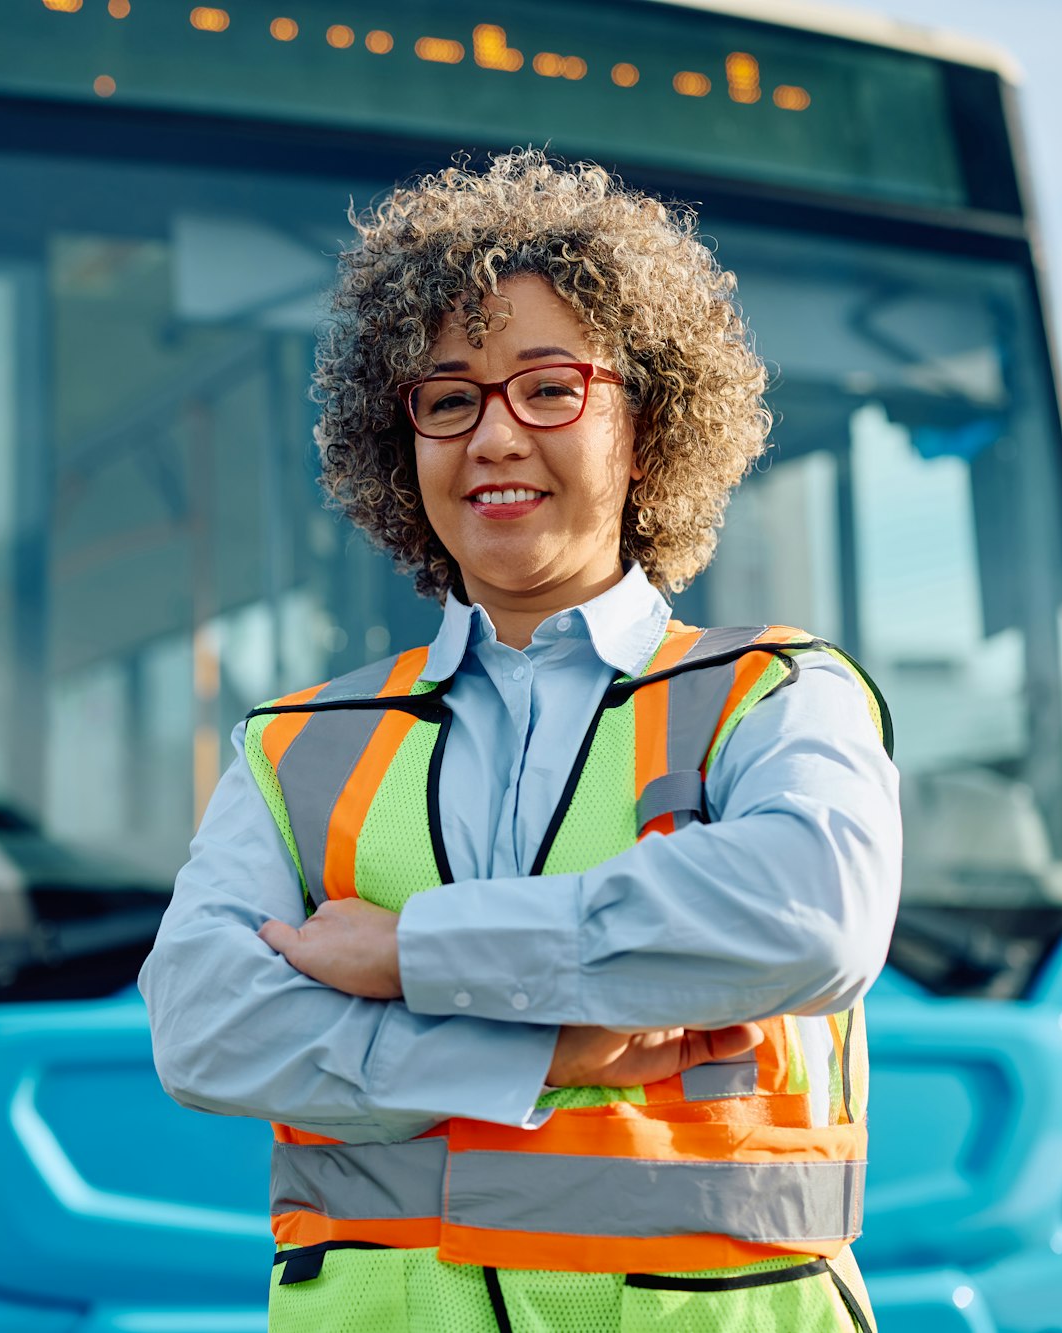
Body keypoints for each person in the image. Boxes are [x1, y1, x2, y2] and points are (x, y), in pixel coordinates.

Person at [138, 149, 901, 1333]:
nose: (492, 436)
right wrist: (545, 1054)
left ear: (644, 428)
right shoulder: (296, 747)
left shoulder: (775, 693)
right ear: (403, 448)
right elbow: (203, 1026)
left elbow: (805, 918)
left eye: (548, 388)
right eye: (448, 399)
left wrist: (410, 954)